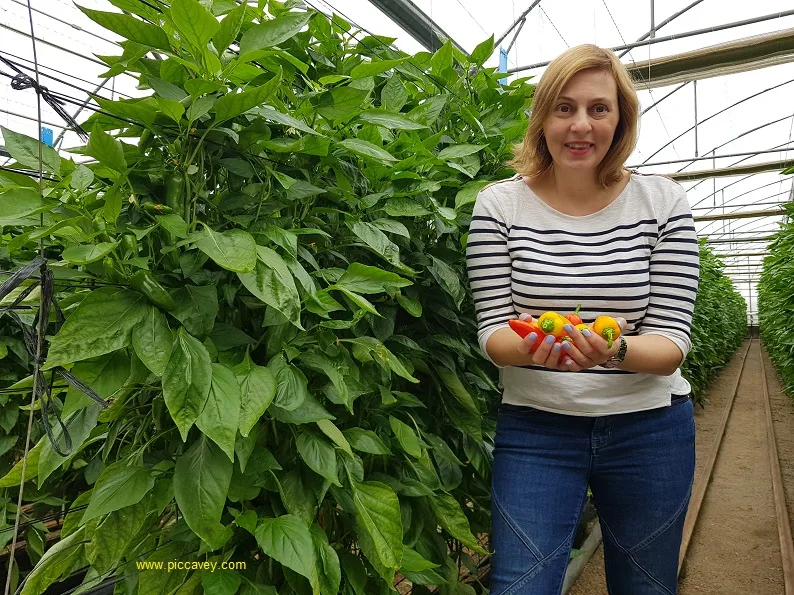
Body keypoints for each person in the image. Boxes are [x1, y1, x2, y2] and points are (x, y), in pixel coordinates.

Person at [466, 44, 699, 595]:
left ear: (620, 120)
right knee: (520, 584)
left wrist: (612, 351)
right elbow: (494, 330)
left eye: (599, 109)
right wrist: (529, 346)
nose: (581, 125)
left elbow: (671, 341)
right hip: (536, 427)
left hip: (650, 428)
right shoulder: (499, 206)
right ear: (542, 116)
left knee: (646, 585)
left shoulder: (661, 202)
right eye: (564, 108)